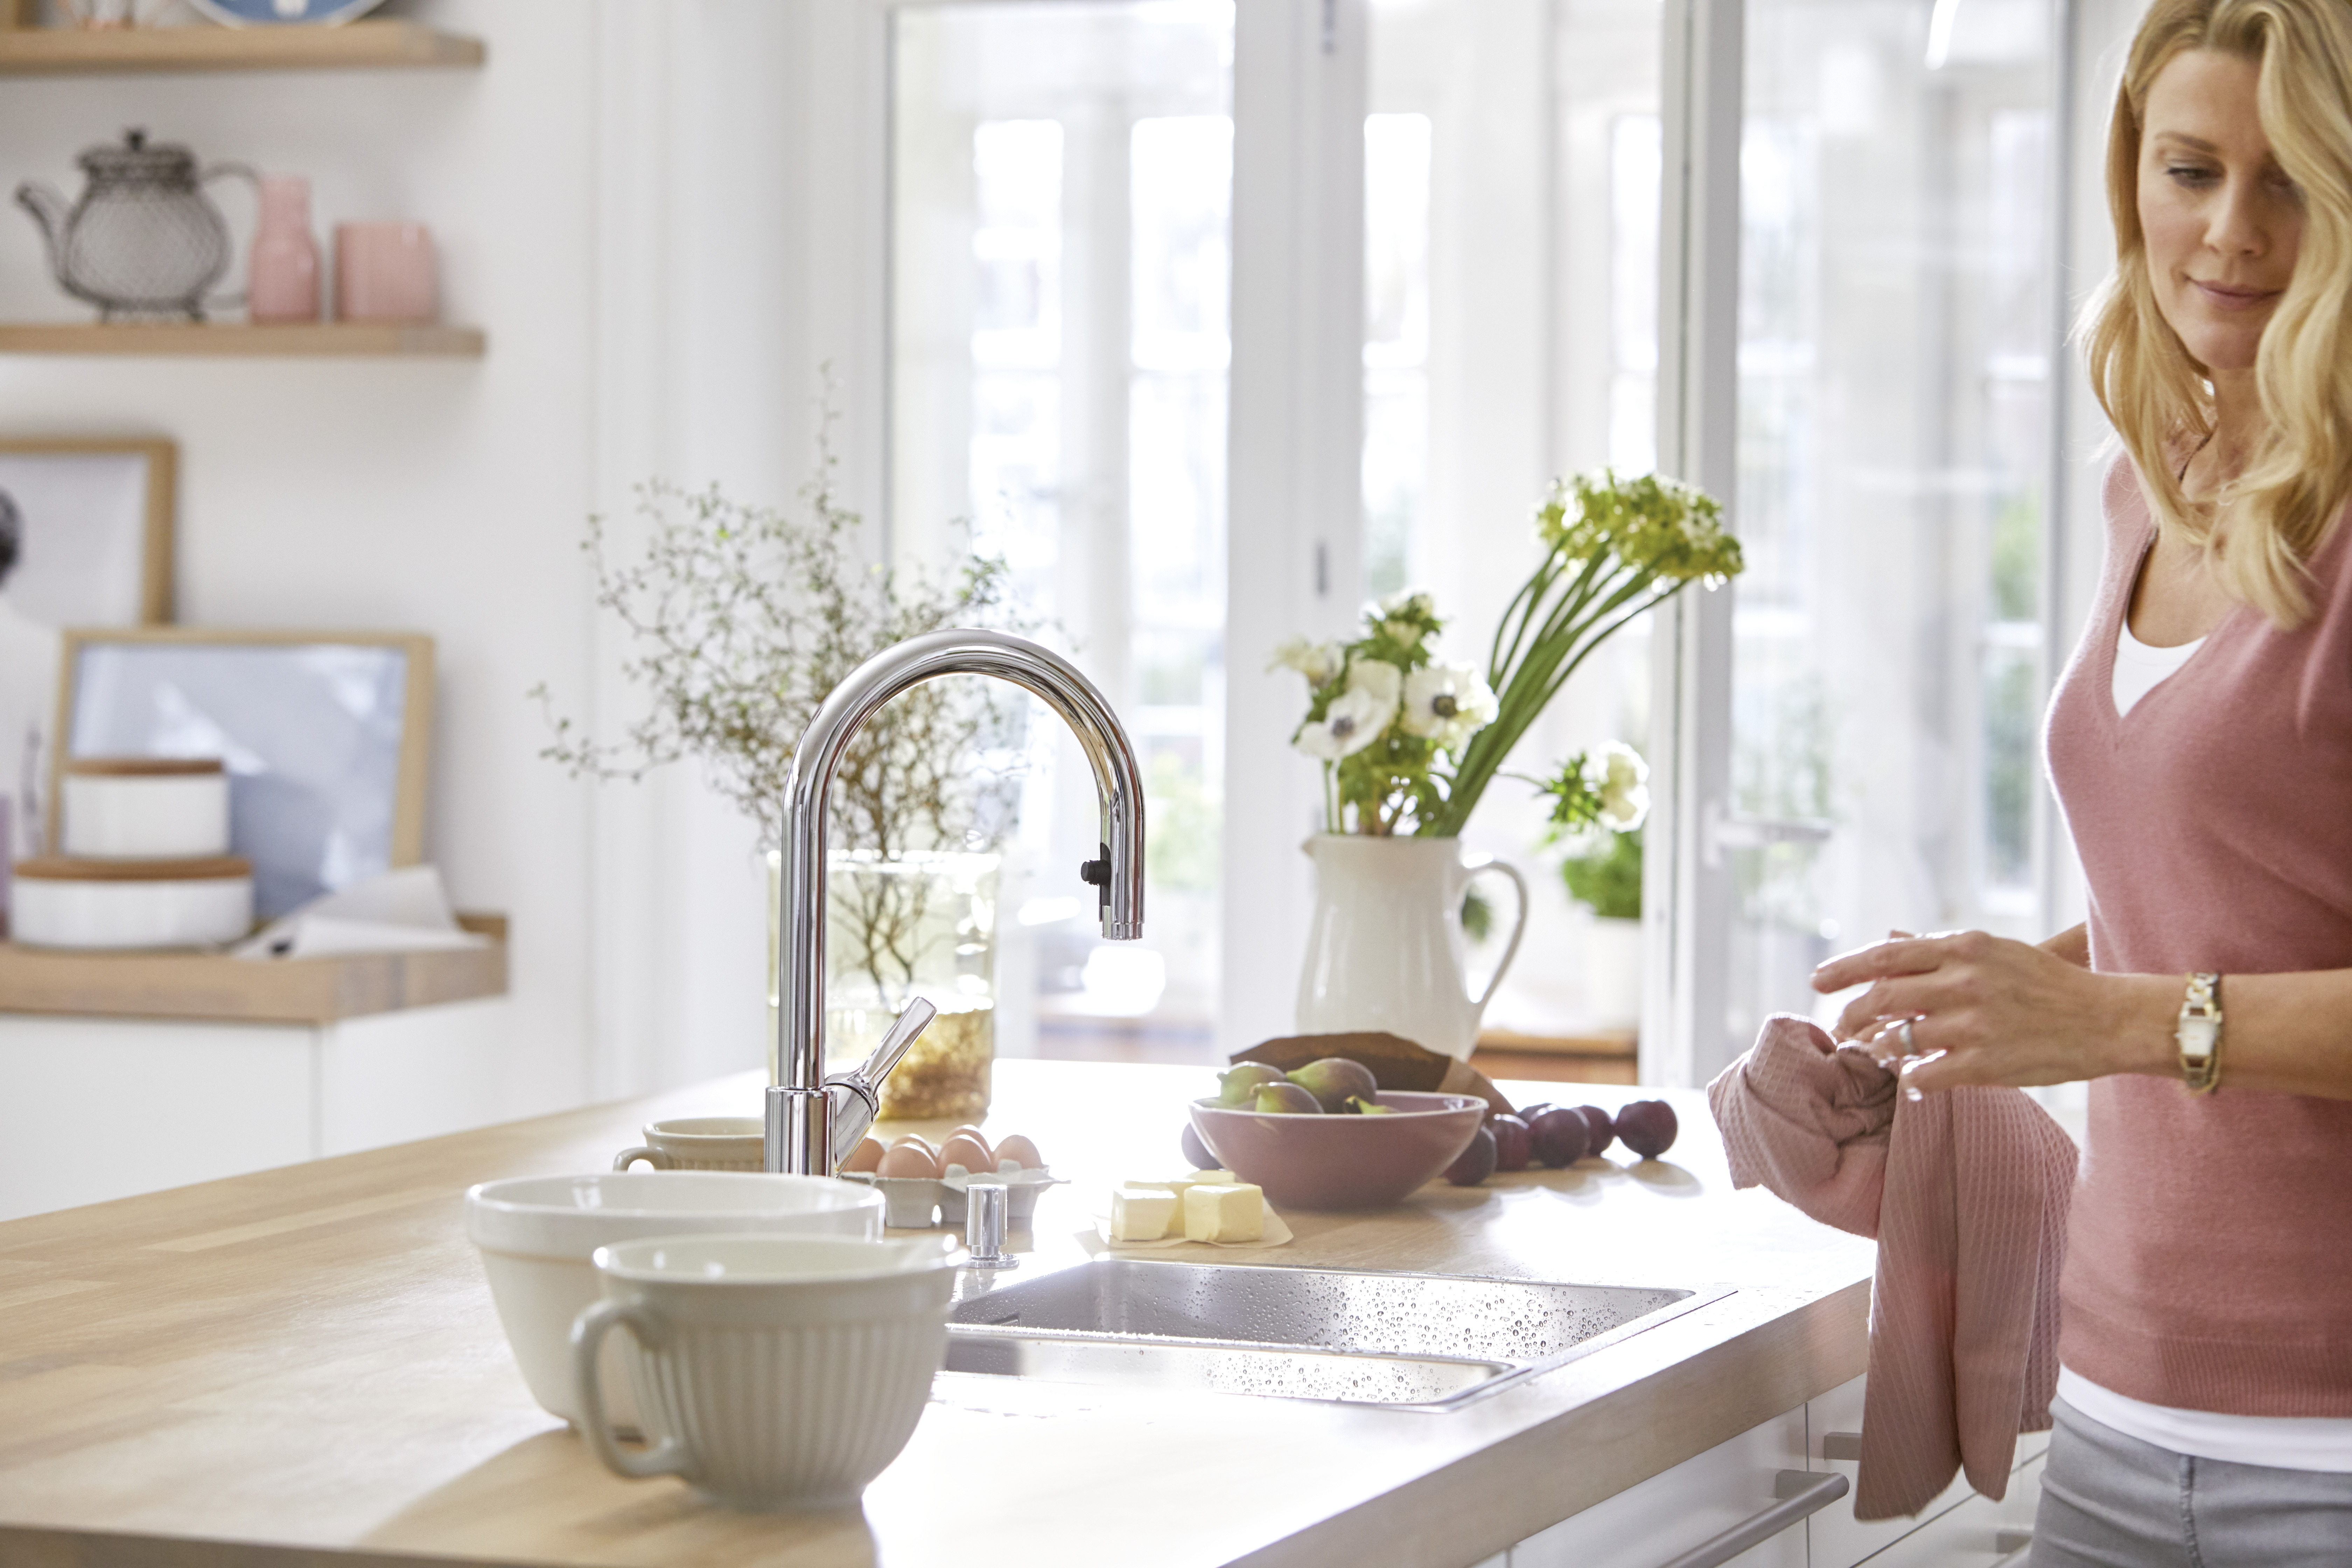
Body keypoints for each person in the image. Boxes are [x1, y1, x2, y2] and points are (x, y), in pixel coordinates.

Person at [1809, 0, 2352, 1558]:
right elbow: (2230, 906)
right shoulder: (2149, 487)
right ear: (2130, 179)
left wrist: (2111, 1021)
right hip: (2118, 1400)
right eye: (2189, 170)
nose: (2230, 233)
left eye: (2294, 183)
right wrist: (1986, 1001)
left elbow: (2171, 998)